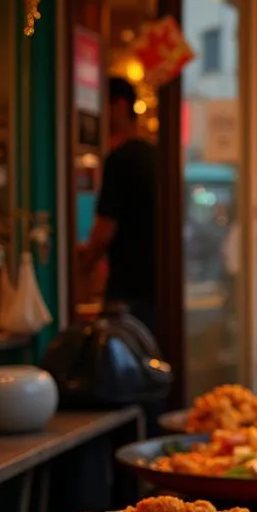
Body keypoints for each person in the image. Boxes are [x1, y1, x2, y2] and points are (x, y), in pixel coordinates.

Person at [79, 76, 157, 333]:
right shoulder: (154, 156)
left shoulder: (120, 160)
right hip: (156, 287)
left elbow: (105, 228)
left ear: (120, 106)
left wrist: (84, 267)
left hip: (127, 290)